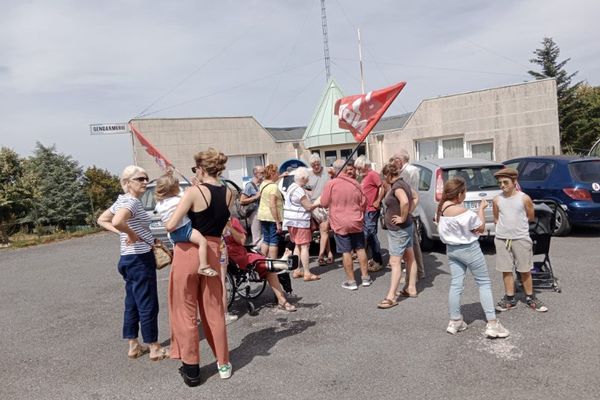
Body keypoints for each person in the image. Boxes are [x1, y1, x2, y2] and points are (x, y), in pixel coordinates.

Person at [165, 148, 233, 387]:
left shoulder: (194, 192)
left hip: (187, 251)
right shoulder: (229, 193)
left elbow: (172, 225)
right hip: (212, 252)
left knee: (185, 311)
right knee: (213, 310)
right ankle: (223, 363)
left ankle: (192, 369)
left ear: (201, 169)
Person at [97, 165, 169, 362]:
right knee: (147, 303)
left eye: (146, 178)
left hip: (127, 258)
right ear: (127, 183)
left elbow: (102, 219)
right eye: (140, 179)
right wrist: (130, 233)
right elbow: (118, 221)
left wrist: (126, 233)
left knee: (132, 303)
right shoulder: (132, 202)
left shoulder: (122, 200)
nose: (145, 182)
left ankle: (133, 345)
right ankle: (154, 347)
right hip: (139, 259)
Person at [436, 177, 510, 338]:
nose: (465, 195)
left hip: (452, 249)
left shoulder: (441, 208)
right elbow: (480, 228)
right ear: (459, 194)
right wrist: (481, 209)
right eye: (464, 192)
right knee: (483, 283)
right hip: (469, 249)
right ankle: (492, 323)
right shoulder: (464, 212)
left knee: (456, 284)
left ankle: (455, 320)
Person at [493, 168, 548, 312]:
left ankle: (530, 297)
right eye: (500, 183)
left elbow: (530, 216)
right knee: (505, 269)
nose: (502, 185)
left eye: (505, 182)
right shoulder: (497, 199)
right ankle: (509, 298)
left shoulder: (524, 198)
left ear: (514, 182)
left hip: (521, 238)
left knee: (525, 269)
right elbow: (496, 218)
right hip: (502, 238)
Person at [224, 216, 297, 312]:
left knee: (265, 265)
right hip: (227, 255)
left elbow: (242, 241)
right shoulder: (211, 222)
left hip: (241, 253)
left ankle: (282, 300)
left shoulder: (232, 221)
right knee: (261, 263)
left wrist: (229, 227)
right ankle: (280, 263)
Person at [320, 159, 371, 290]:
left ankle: (351, 281)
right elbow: (364, 203)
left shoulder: (331, 184)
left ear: (335, 170)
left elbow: (324, 203)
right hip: (356, 220)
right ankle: (365, 278)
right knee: (360, 249)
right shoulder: (356, 183)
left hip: (339, 222)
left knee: (346, 251)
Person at [154, 173, 217, 277]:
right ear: (174, 188)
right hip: (185, 229)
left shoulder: (159, 204)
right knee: (202, 242)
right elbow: (190, 195)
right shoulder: (178, 200)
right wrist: (195, 186)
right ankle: (204, 266)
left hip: (173, 234)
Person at [377, 163, 418, 308]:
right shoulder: (404, 184)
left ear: (388, 175)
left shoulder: (397, 187)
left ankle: (391, 297)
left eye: (384, 176)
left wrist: (402, 216)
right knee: (410, 257)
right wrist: (408, 215)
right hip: (405, 227)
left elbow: (406, 201)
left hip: (399, 229)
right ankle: (411, 288)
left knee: (395, 262)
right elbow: (415, 197)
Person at [391, 150, 426, 280]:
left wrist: (406, 213)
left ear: (400, 160)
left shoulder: (409, 171)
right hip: (409, 210)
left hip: (408, 211)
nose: (394, 163)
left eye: (395, 160)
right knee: (412, 244)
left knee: (411, 244)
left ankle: (415, 274)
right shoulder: (409, 170)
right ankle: (418, 272)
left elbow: (409, 194)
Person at [283, 167, 321, 281]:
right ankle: (307, 273)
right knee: (305, 246)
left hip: (291, 221)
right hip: (300, 221)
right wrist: (318, 202)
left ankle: (297, 270)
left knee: (297, 245)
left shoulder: (291, 187)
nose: (309, 180)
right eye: (308, 178)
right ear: (303, 178)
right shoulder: (299, 190)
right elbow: (308, 207)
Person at [355, 156, 384, 272]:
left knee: (371, 235)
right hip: (365, 209)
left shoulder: (373, 175)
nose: (358, 170)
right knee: (370, 234)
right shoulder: (364, 177)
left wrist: (378, 201)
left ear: (365, 166)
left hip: (371, 209)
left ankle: (378, 261)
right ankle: (374, 259)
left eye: (360, 168)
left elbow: (382, 187)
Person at [307, 153, 334, 265]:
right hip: (315, 206)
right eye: (313, 165)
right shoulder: (308, 175)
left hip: (327, 204)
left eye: (317, 164)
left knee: (324, 230)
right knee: (324, 229)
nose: (316, 167)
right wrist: (310, 194)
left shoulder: (328, 171)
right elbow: (304, 188)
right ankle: (322, 255)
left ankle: (328, 253)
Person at [257, 164, 284, 259]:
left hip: (262, 215)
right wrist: (277, 222)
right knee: (274, 241)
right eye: (277, 173)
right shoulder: (273, 187)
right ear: (272, 174)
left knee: (266, 239)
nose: (278, 174)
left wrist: (281, 176)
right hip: (272, 217)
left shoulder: (263, 184)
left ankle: (263, 261)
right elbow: (273, 205)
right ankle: (273, 263)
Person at [240, 165, 264, 248]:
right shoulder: (249, 185)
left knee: (264, 235)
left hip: (263, 212)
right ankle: (257, 255)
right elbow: (242, 200)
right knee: (257, 236)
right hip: (254, 212)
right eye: (262, 172)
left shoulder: (263, 183)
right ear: (256, 174)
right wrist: (255, 197)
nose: (264, 174)